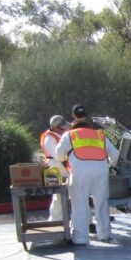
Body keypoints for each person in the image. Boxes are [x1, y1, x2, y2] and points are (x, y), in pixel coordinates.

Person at [54, 104, 119, 245]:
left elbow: (58, 154)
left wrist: (65, 159)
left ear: (73, 119)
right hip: (101, 171)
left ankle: (80, 238)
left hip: (79, 172)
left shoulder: (69, 135)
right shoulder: (99, 135)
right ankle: (104, 235)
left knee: (79, 204)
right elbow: (115, 154)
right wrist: (111, 164)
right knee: (101, 203)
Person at [39, 114, 70, 221]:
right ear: (56, 127)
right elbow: (58, 156)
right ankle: (55, 221)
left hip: (59, 166)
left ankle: (58, 221)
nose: (65, 129)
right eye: (62, 127)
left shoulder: (59, 134)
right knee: (58, 197)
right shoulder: (48, 138)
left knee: (66, 196)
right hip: (53, 168)